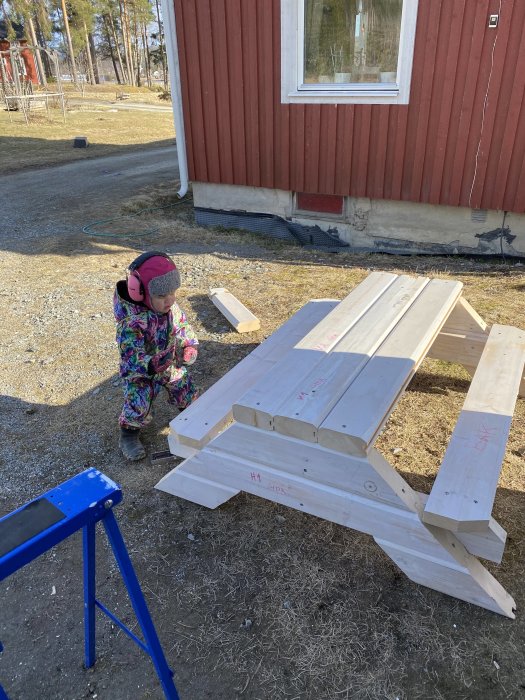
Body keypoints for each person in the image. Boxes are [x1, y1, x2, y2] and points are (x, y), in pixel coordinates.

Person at [114, 251, 199, 461]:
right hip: (143, 372)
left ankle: (194, 419)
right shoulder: (132, 322)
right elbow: (130, 356)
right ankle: (129, 435)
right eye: (162, 296)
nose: (170, 300)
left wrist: (188, 346)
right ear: (139, 292)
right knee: (138, 402)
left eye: (173, 293)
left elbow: (182, 328)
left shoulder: (171, 308)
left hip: (168, 363)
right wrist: (149, 365)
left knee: (184, 387)